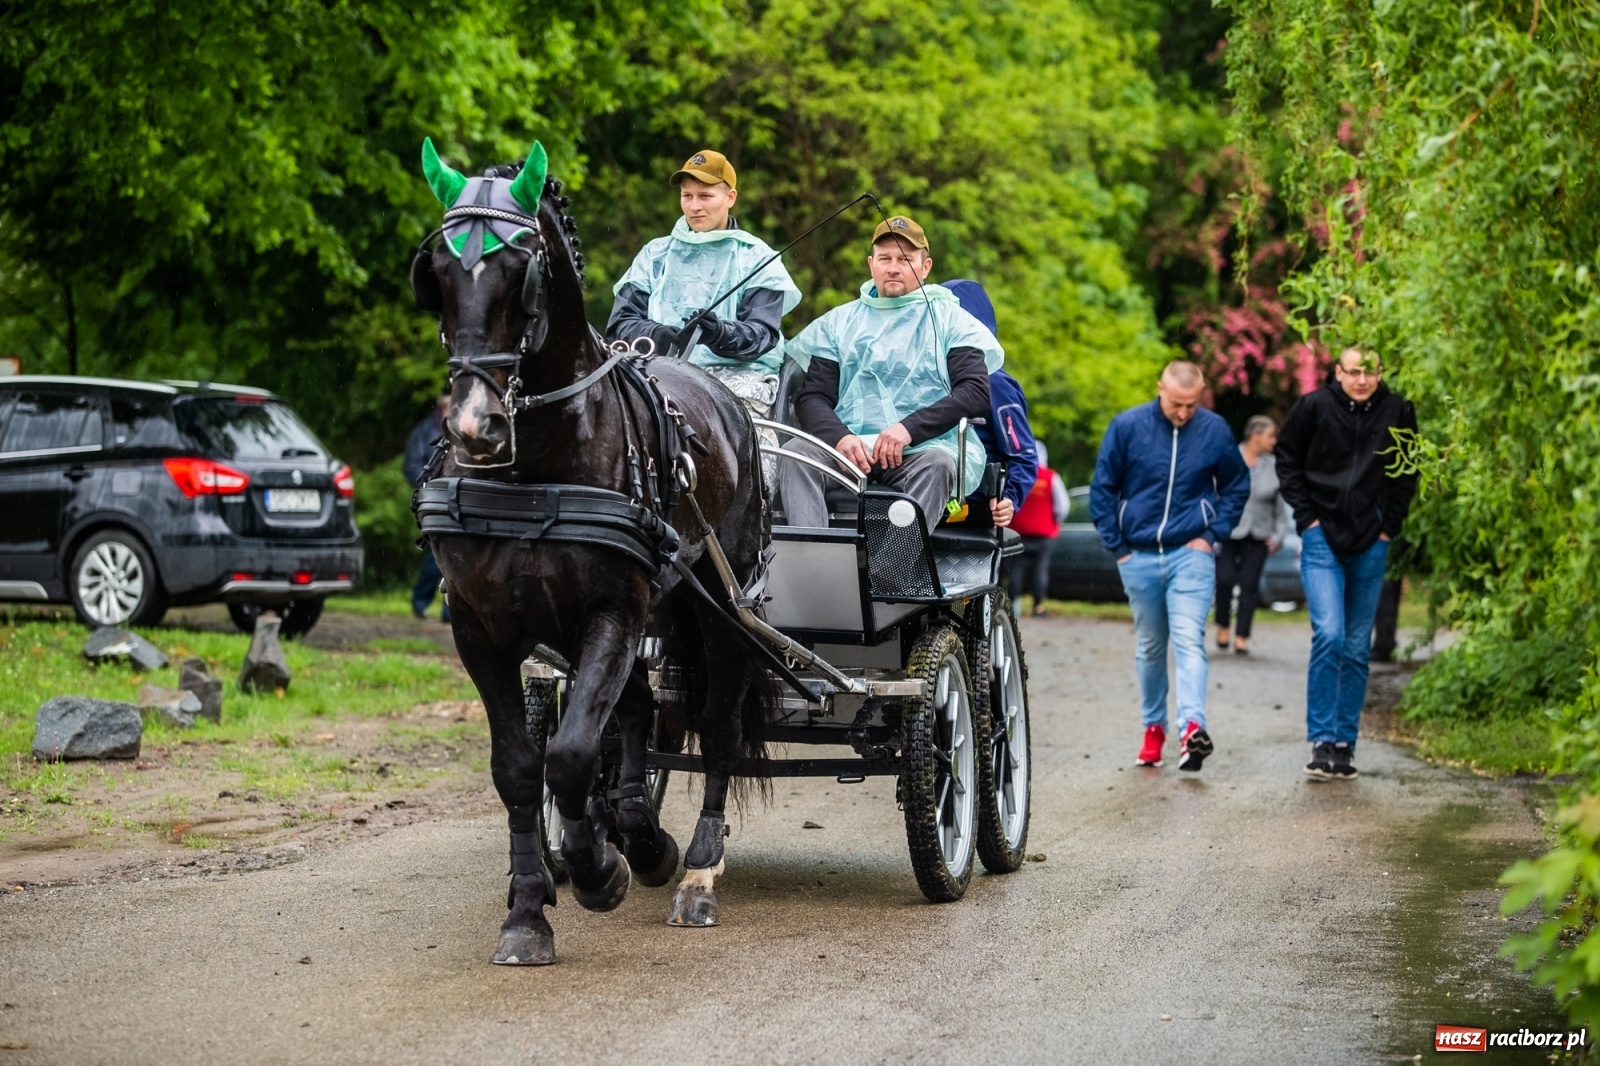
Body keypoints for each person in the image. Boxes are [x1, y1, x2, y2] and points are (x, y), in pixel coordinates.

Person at [779, 216, 1002, 532]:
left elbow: (975, 392)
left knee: (939, 465)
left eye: (905, 259)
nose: (894, 267)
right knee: (796, 455)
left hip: (921, 448)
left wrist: (908, 429)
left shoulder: (953, 322)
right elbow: (812, 397)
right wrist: (840, 437)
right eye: (885, 258)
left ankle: (890, 573)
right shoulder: (838, 324)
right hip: (849, 449)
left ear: (925, 267)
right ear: (871, 265)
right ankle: (814, 563)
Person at [1090, 361, 1251, 772]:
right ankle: (1153, 729)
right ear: (1160, 388)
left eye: (1192, 405)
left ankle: (1192, 728)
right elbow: (1103, 486)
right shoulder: (1128, 426)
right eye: (1177, 404)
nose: (1183, 413)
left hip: (1190, 551)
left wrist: (1211, 535)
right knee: (1150, 645)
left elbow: (1236, 485)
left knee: (1188, 640)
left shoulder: (1214, 430)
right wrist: (1118, 546)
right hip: (1138, 554)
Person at [607, 149, 802, 485]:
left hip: (738, 379)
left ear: (730, 197)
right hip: (656, 373)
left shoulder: (757, 257)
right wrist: (663, 334)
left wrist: (719, 333)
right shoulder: (654, 254)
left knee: (752, 471)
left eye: (705, 196)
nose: (694, 206)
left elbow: (763, 333)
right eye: (687, 196)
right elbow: (620, 325)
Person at [1275, 348, 1418, 781]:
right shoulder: (1314, 407)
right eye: (1352, 371)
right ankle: (1321, 738)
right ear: (1337, 373)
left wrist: (1388, 527)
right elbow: (1287, 460)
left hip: (1371, 539)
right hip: (1322, 537)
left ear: (1379, 373)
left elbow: (1406, 470)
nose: (1361, 379)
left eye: (1368, 371)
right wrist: (1308, 520)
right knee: (1330, 634)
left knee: (1358, 646)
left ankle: (1344, 743)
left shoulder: (1398, 410)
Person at [940, 278, 1040, 529]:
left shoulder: (996, 382)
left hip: (973, 510)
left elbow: (1023, 454)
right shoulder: (929, 375)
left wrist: (1011, 499)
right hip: (927, 499)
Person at [1214, 415, 1293, 655]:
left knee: (1249, 584)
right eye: (1271, 435)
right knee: (1225, 579)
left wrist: (1278, 536)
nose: (1274, 440)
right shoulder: (1229, 458)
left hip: (1258, 535)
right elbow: (1214, 495)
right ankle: (1223, 624)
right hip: (1229, 531)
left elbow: (1281, 509)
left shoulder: (1274, 466)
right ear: (1255, 435)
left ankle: (1242, 635)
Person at [403, 393, 451, 622]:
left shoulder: (464, 429)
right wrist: (427, 485)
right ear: (443, 409)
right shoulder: (424, 431)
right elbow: (411, 464)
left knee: (457, 554)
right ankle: (420, 602)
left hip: (457, 497)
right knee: (436, 554)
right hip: (434, 497)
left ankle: (449, 611)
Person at [1007, 442, 1069, 617]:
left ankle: (1013, 606)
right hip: (1043, 533)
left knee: (1016, 569)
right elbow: (1062, 506)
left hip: (1018, 532)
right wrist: (1056, 521)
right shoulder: (1051, 477)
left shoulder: (1017, 475)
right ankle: (1038, 606)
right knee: (1040, 571)